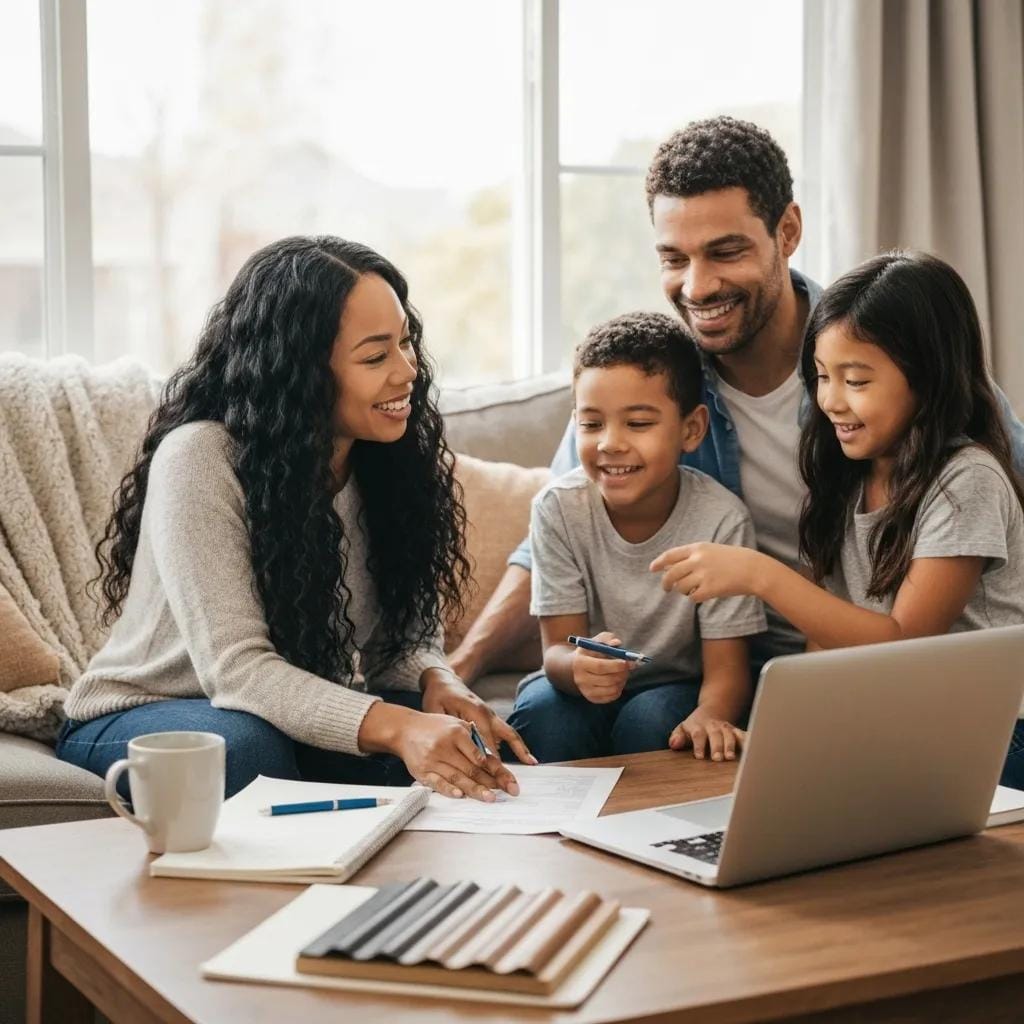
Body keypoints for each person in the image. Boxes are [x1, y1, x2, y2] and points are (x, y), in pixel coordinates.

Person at [448, 116, 1024, 683]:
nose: (697, 287)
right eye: (674, 259)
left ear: (788, 232)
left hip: (881, 670)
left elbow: (997, 498)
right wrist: (462, 668)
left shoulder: (894, 362)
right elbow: (555, 526)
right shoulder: (655, 378)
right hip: (736, 668)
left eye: (725, 252)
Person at [57, 235, 534, 800]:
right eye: (376, 356)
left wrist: (438, 680)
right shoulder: (200, 457)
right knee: (246, 750)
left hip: (281, 713)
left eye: (406, 343)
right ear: (299, 371)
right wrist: (398, 727)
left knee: (465, 748)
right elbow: (238, 671)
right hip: (149, 712)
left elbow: (406, 641)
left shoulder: (389, 463)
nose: (408, 371)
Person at [648, 251, 1024, 787]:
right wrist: (792, 734)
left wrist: (760, 575)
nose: (831, 401)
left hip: (994, 729)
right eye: (823, 377)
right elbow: (823, 637)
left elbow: (903, 643)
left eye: (857, 381)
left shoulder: (967, 479)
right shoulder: (846, 475)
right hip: (899, 723)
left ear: (927, 376)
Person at [505, 312, 766, 763]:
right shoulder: (558, 509)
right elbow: (556, 652)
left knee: (650, 722)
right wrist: (579, 670)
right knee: (547, 716)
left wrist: (711, 714)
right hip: (578, 688)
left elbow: (728, 672)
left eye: (638, 423)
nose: (610, 443)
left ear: (691, 429)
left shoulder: (722, 519)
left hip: (675, 686)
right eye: (591, 424)